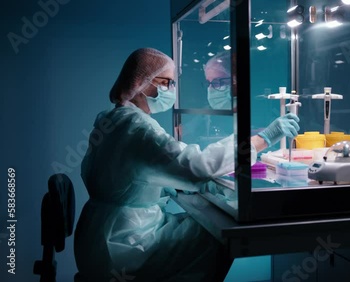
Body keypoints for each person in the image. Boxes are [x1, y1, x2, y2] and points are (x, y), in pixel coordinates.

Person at [74, 48, 300, 282]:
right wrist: (263, 138)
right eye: (168, 83)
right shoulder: (137, 128)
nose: (171, 90)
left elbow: (131, 171)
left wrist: (163, 185)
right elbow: (196, 168)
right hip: (125, 247)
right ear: (144, 82)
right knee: (217, 235)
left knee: (200, 227)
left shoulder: (115, 119)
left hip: (102, 235)